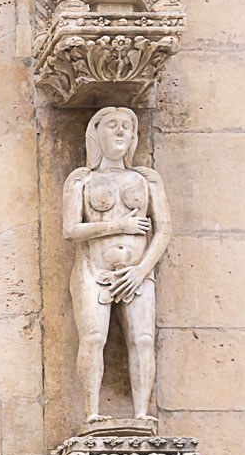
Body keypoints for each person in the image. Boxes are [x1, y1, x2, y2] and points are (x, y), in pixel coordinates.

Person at [63, 106, 170, 424]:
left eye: (127, 126)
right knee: (94, 338)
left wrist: (142, 270)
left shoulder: (146, 180)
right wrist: (119, 226)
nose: (121, 131)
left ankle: (141, 413)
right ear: (96, 134)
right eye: (112, 126)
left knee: (143, 339)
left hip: (137, 271)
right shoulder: (82, 180)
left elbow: (164, 230)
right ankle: (91, 411)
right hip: (94, 270)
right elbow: (71, 229)